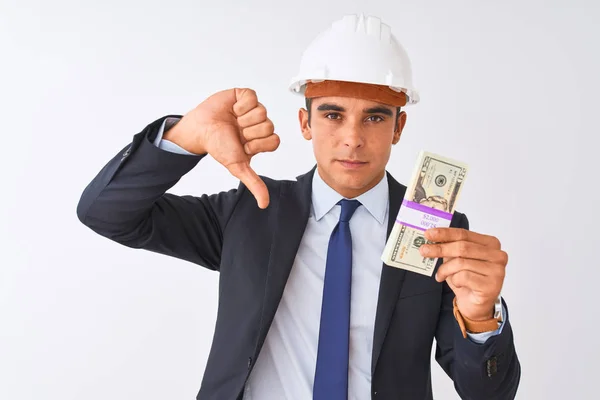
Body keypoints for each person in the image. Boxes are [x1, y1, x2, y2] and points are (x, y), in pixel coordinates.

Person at [76, 13, 520, 400]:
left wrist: (481, 318)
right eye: (332, 114)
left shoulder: (438, 228)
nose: (352, 138)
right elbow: (106, 213)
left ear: (398, 127)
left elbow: (488, 393)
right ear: (305, 122)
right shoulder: (249, 213)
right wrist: (182, 138)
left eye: (375, 116)